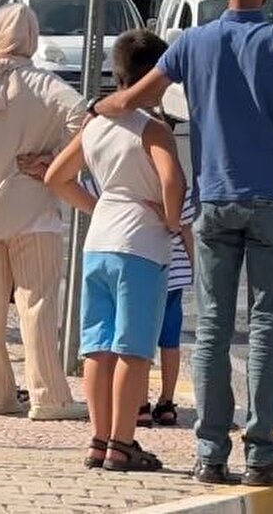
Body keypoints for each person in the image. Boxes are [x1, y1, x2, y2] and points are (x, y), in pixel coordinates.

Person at [93, 0, 273, 486]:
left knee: (214, 326)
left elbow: (135, 99)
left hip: (215, 198)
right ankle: (262, 452)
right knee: (268, 325)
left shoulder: (192, 44)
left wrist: (101, 106)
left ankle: (209, 453)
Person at [45, 29, 184, 471]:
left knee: (98, 347)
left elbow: (56, 177)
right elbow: (173, 181)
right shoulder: (153, 129)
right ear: (153, 80)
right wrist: (171, 218)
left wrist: (99, 204)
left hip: (98, 242)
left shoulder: (96, 125)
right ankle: (124, 443)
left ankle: (98, 439)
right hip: (140, 247)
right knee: (133, 349)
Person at [0, 4, 88, 422]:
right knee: (38, 306)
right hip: (33, 210)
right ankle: (48, 396)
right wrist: (55, 162)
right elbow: (87, 120)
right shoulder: (45, 85)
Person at [79, 171, 195, 429]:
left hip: (107, 251)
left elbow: (65, 181)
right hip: (167, 267)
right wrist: (193, 266)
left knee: (119, 341)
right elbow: (183, 227)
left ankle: (134, 409)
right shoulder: (171, 175)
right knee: (163, 340)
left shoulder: (106, 171)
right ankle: (166, 401)